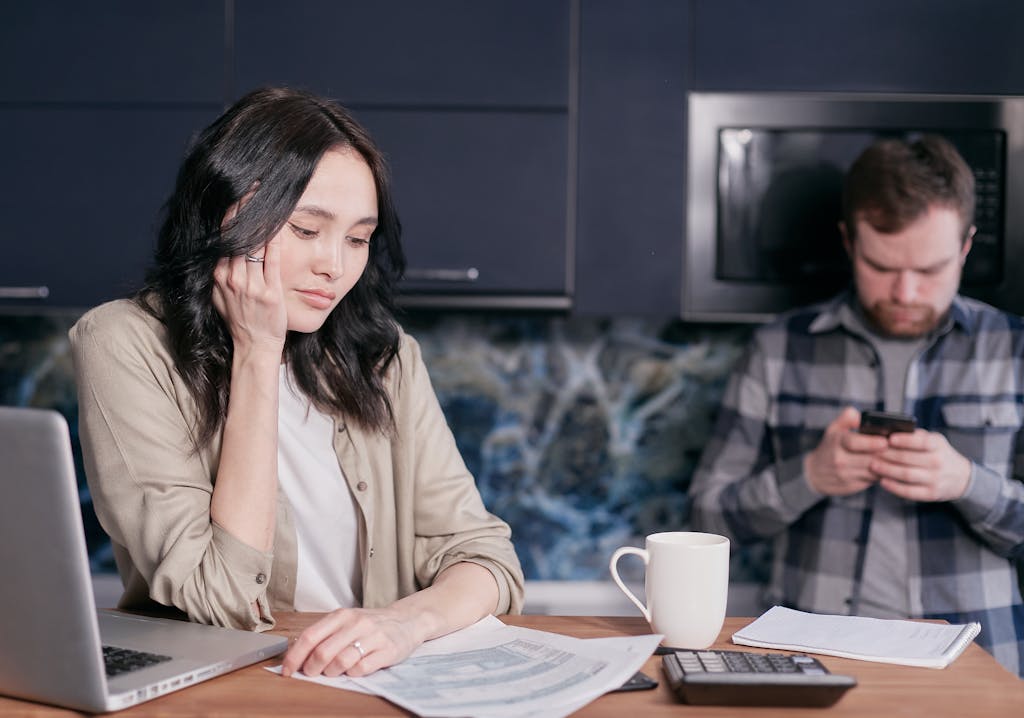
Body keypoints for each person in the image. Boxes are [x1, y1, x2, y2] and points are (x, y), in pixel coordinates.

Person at [69, 86, 524, 678]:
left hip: (366, 684)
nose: (335, 265)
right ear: (226, 215)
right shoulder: (123, 343)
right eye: (307, 230)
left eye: (358, 239)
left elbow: (487, 561)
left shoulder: (385, 358)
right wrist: (258, 351)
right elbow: (222, 597)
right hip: (221, 690)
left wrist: (403, 623)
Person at [689, 134, 1024, 677]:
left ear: (966, 245)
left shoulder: (1015, 348)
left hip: (978, 670)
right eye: (883, 266)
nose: (907, 292)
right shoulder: (778, 349)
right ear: (849, 242)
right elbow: (706, 516)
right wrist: (811, 475)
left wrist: (966, 482)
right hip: (811, 664)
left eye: (931, 269)